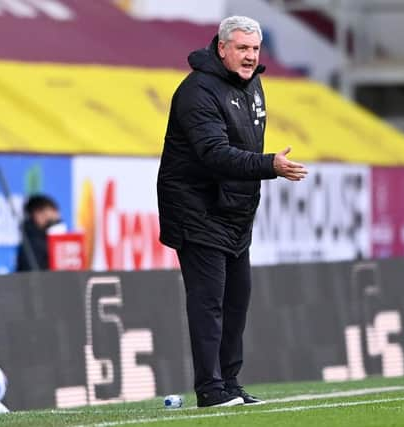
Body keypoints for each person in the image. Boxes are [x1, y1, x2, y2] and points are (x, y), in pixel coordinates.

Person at [157, 16, 307, 408]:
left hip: (235, 212)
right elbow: (214, 154)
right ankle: (210, 389)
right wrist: (268, 165)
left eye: (255, 49)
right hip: (196, 208)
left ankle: (230, 383)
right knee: (209, 303)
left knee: (236, 301)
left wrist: (255, 181)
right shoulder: (197, 92)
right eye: (242, 48)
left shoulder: (254, 85)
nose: (249, 57)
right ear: (221, 48)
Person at [16, 194, 64, 272]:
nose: (57, 216)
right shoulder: (31, 244)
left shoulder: (57, 239)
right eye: (53, 211)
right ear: (36, 214)